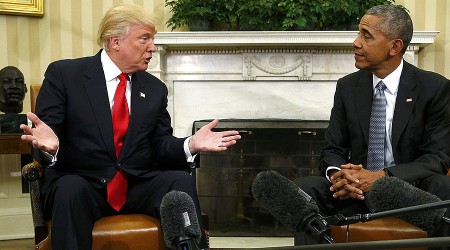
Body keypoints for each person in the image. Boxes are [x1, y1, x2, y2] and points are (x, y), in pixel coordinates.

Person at [19, 4, 240, 250]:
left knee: (179, 181)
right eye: (145, 38)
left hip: (136, 185)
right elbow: (45, 135)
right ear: (115, 42)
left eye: (153, 39)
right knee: (70, 188)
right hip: (83, 184)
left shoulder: (154, 88)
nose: (153, 47)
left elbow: (159, 144)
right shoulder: (65, 74)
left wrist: (190, 144)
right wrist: (54, 147)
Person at [294, 4, 450, 245]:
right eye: (358, 33)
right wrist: (339, 175)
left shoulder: (433, 88)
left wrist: (382, 177)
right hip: (354, 192)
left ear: (395, 47)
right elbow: (332, 150)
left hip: (407, 190)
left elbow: (437, 158)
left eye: (366, 35)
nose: (356, 43)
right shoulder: (347, 87)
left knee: (443, 187)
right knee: (305, 190)